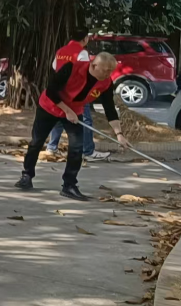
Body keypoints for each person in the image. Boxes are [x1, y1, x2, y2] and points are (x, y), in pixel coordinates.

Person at [15, 52, 130, 201]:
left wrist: (119, 134)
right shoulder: (71, 68)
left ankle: (69, 185)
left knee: (76, 147)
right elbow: (51, 91)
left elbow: (109, 108)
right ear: (94, 65)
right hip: (50, 107)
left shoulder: (106, 83)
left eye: (110, 71)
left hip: (75, 111)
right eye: (105, 70)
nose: (108, 74)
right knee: (36, 142)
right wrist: (67, 111)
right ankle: (27, 175)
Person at [44, 32, 110, 161]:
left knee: (59, 118)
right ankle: (88, 151)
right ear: (85, 38)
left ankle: (51, 148)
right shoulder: (82, 52)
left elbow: (54, 66)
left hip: (61, 90)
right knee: (85, 120)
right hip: (77, 91)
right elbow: (85, 71)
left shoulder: (61, 51)